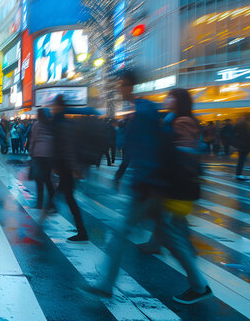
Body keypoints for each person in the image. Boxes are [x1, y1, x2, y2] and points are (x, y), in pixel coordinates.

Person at [87, 70, 186, 299]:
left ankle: (105, 285)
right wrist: (122, 174)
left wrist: (138, 180)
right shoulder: (142, 110)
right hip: (151, 183)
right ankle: (200, 284)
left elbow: (146, 151)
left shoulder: (143, 112)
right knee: (170, 236)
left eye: (121, 85)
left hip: (148, 185)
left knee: (120, 233)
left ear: (129, 86)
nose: (119, 90)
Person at [158, 88, 212, 304]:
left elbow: (184, 156)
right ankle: (190, 256)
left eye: (170, 96)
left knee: (171, 236)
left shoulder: (182, 122)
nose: (166, 98)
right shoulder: (177, 119)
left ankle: (199, 286)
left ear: (178, 100)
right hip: (178, 183)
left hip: (178, 185)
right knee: (177, 229)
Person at [50, 94, 89, 242]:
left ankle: (82, 231)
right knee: (65, 197)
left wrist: (74, 168)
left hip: (66, 167)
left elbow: (67, 148)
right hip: (63, 166)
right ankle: (81, 230)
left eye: (54, 105)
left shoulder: (62, 124)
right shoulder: (59, 122)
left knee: (69, 199)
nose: (52, 108)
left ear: (60, 106)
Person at [29, 109, 55, 213]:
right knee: (48, 180)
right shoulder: (50, 125)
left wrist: (31, 150)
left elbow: (33, 139)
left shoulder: (36, 125)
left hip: (38, 154)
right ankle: (52, 203)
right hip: (49, 154)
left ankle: (39, 203)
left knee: (39, 180)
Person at [233, 114, 250, 181]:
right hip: (245, 145)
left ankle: (238, 174)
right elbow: (248, 135)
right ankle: (238, 174)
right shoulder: (246, 125)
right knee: (241, 160)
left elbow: (234, 132)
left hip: (241, 144)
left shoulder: (240, 124)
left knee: (241, 160)